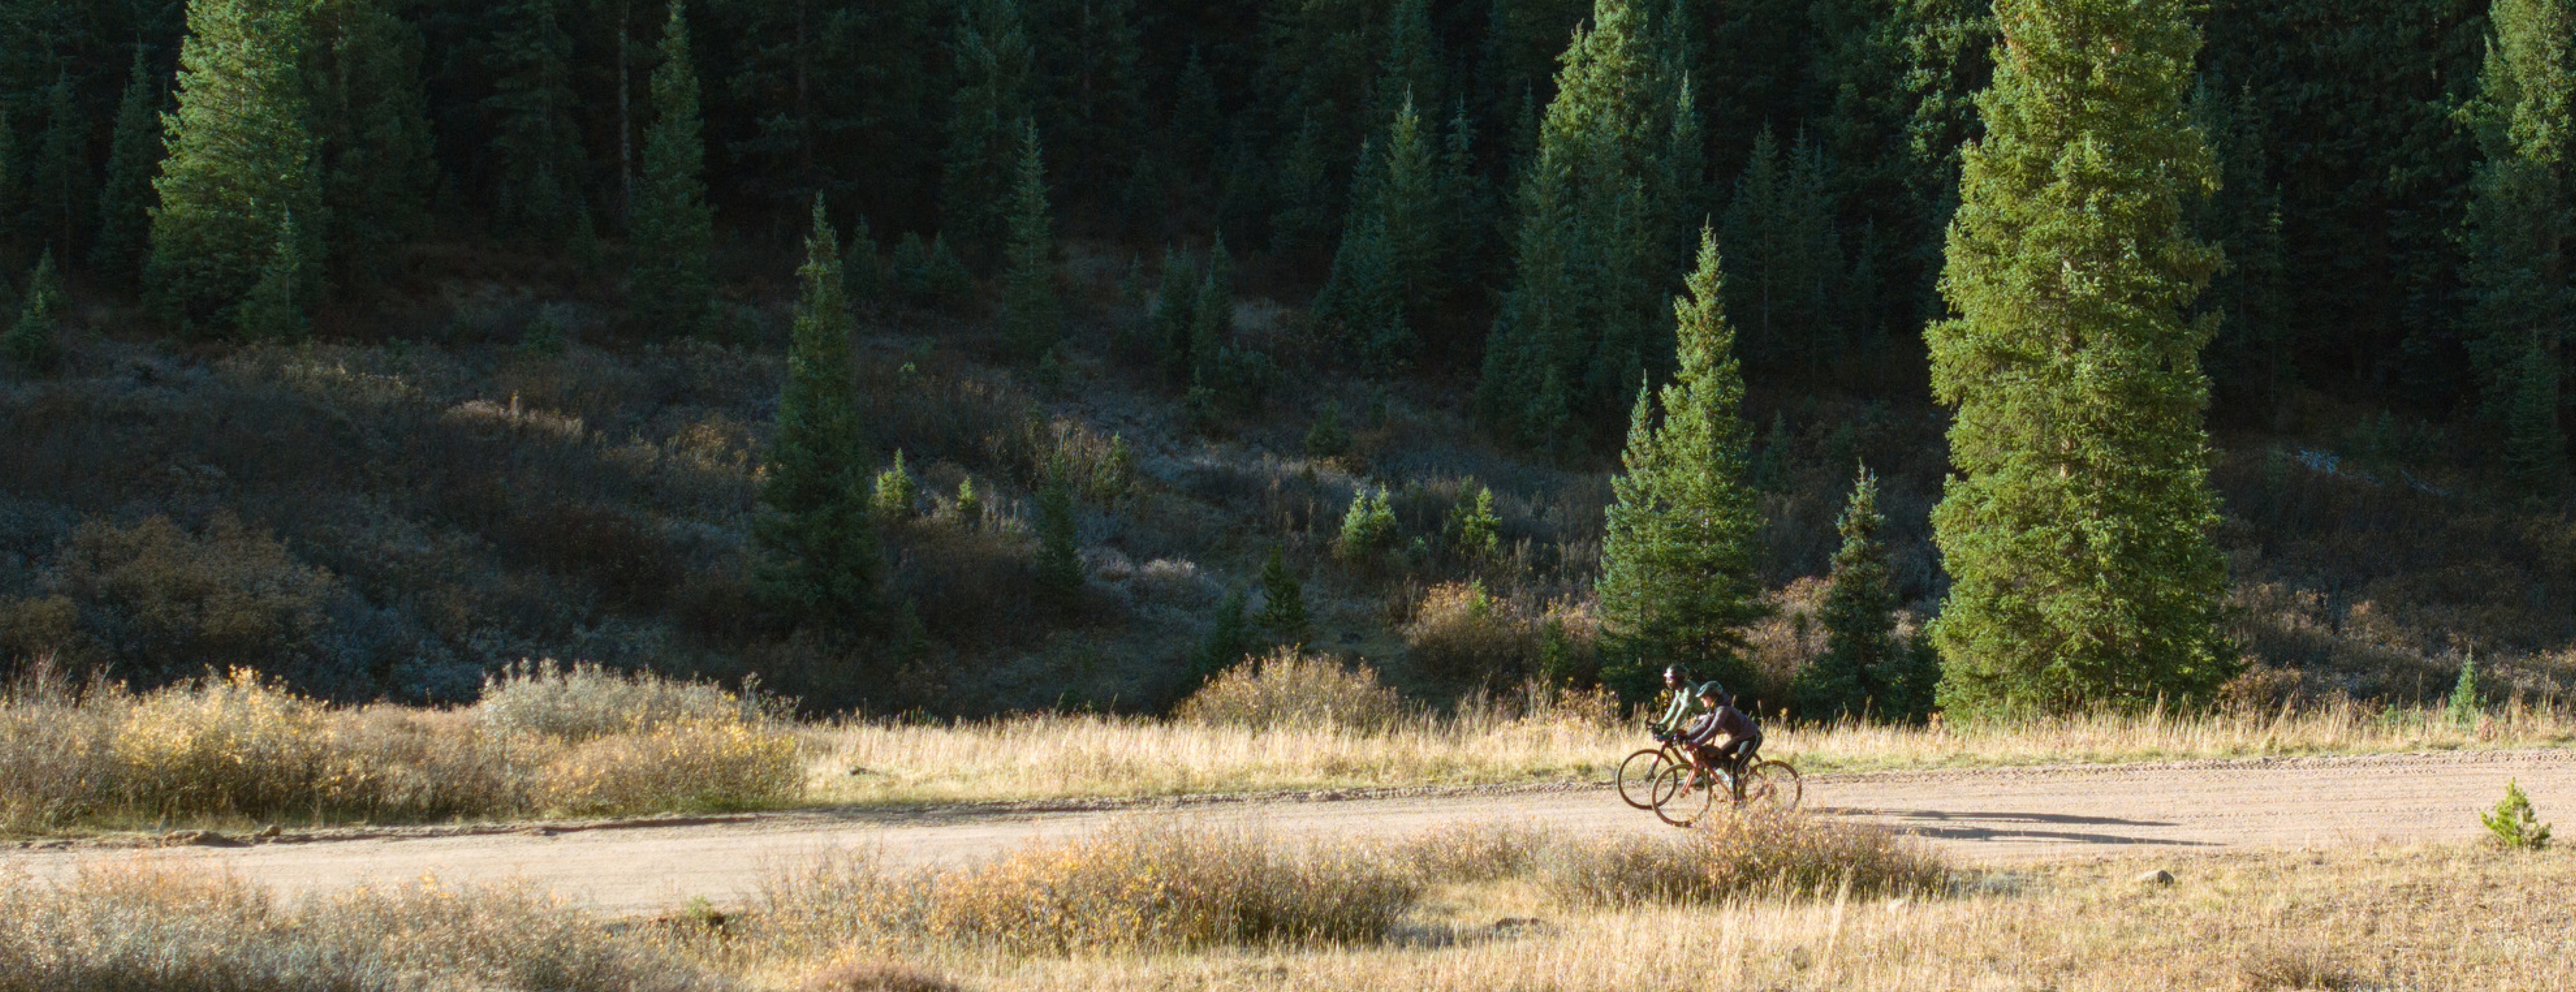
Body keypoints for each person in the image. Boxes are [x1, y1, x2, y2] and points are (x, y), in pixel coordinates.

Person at [1677, 683, 1761, 793]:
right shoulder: (1714, 708)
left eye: (1704, 698)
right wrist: (1686, 736)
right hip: (1739, 738)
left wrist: (1695, 743)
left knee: (1735, 767)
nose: (1702, 701)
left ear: (1712, 697)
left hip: (1752, 737)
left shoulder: (1723, 709)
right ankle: (1737, 776)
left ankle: (1738, 802)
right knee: (1719, 756)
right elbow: (1704, 726)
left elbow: (1713, 729)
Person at [1647, 665, 1701, 738]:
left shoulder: (1688, 690)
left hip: (1709, 716)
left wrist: (1669, 733)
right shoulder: (1679, 689)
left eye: (1670, 679)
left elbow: (1682, 714)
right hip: (1700, 716)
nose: (1667, 681)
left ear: (1678, 679)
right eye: (1666, 678)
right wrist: (1661, 724)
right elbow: (1673, 709)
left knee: (1690, 738)